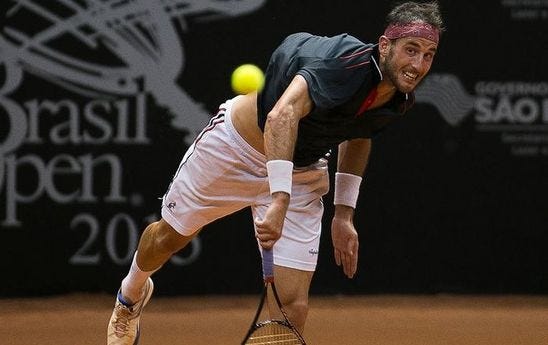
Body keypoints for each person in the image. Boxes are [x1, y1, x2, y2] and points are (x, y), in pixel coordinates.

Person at [107, 1, 445, 343]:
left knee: (291, 307)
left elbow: (360, 134)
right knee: (169, 238)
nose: (417, 65)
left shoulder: (398, 98)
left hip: (303, 171)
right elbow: (281, 115)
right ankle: (129, 297)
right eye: (411, 50)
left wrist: (343, 213)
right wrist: (278, 197)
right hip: (235, 149)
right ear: (385, 46)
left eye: (428, 55)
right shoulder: (341, 65)